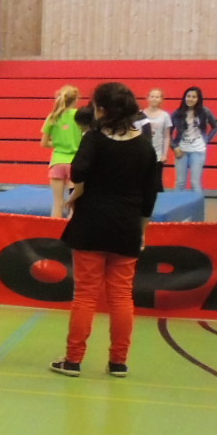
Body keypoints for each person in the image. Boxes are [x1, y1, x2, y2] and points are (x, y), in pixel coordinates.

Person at [50, 82, 158, 379]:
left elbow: (78, 172)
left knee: (85, 295)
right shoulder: (145, 146)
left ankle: (73, 360)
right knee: (121, 296)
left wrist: (79, 190)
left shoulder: (94, 139)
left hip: (91, 225)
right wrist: (142, 230)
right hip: (127, 226)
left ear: (101, 109)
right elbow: (149, 196)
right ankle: (118, 362)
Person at [41, 84, 82, 218]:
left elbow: (44, 143)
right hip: (74, 163)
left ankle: (54, 229)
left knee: (57, 203)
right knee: (74, 204)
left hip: (57, 162)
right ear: (76, 100)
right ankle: (73, 229)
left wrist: (59, 143)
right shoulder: (79, 116)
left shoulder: (53, 117)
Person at [170, 86, 217, 191]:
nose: (190, 99)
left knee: (195, 182)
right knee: (180, 182)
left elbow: (215, 126)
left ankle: (197, 202)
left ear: (198, 99)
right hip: (181, 150)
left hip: (198, 150)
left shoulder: (205, 112)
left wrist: (206, 140)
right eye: (188, 96)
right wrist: (174, 147)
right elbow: (168, 132)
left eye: (194, 97)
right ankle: (178, 202)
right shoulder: (177, 113)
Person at [139, 87, 171, 192]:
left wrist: (164, 154)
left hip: (157, 154)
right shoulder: (140, 115)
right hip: (143, 153)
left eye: (157, 97)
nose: (154, 99)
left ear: (161, 99)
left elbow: (166, 136)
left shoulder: (165, 116)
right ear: (147, 98)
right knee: (143, 181)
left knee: (157, 182)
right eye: (152, 96)